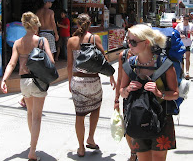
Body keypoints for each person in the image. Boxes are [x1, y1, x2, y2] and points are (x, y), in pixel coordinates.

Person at [120, 24, 178, 161]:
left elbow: (175, 93)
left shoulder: (165, 65)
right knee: (143, 158)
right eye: (128, 41)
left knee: (158, 158)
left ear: (146, 42)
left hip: (161, 118)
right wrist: (127, 89)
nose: (130, 45)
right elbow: (121, 92)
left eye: (133, 42)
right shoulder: (130, 65)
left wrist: (160, 93)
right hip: (137, 119)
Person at [1, 12, 54, 161]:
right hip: (38, 81)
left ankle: (32, 144)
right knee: (37, 117)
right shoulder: (42, 41)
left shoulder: (18, 43)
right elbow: (51, 61)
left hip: (23, 81)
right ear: (35, 25)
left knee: (30, 113)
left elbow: (12, 63)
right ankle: (32, 151)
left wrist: (4, 80)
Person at [67, 13, 115, 157]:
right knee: (95, 108)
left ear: (77, 24)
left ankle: (81, 147)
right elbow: (104, 59)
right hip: (92, 80)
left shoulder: (71, 41)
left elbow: (70, 65)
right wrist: (111, 76)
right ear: (90, 24)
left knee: (79, 114)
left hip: (77, 80)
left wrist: (70, 82)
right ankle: (91, 138)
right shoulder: (95, 39)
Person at [114, 48, 137, 161]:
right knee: (128, 126)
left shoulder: (148, 53)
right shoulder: (123, 56)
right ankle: (133, 153)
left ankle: (140, 152)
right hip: (127, 97)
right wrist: (116, 99)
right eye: (130, 40)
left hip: (145, 97)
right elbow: (119, 79)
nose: (132, 43)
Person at [176, 14, 193, 79]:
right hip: (181, 44)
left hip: (188, 44)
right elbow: (175, 33)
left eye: (187, 19)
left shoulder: (191, 25)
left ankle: (187, 72)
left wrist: (191, 33)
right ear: (183, 19)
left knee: (187, 58)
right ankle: (182, 71)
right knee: (181, 58)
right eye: (185, 19)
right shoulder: (179, 25)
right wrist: (180, 36)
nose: (186, 21)